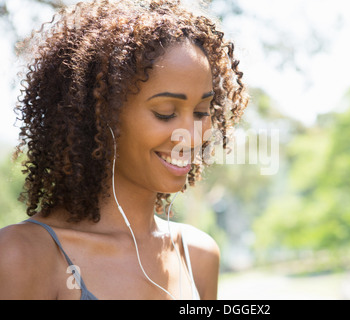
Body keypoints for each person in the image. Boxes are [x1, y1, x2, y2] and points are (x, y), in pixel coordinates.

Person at [0, 0, 248, 300]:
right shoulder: (25, 255)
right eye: (166, 112)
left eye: (200, 112)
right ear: (100, 115)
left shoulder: (197, 255)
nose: (192, 137)